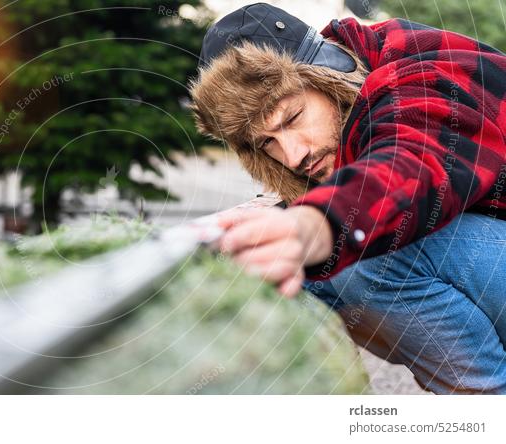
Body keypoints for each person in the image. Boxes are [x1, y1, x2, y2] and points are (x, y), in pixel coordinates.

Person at [188, 2, 506, 394]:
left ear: (327, 75)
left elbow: (409, 164)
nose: (293, 155)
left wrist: (313, 223)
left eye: (292, 118)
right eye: (266, 143)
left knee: (357, 251)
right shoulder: (355, 98)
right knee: (306, 268)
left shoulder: (416, 74)